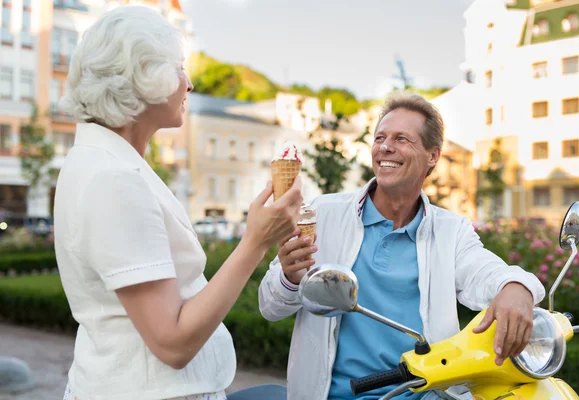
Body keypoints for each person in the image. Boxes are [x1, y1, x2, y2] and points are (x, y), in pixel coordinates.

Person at [53, 5, 300, 400]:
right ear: (141, 78)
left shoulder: (106, 161)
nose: (188, 84)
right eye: (178, 68)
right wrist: (256, 241)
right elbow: (172, 343)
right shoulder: (114, 179)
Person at [258, 91, 546, 400]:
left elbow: (484, 272)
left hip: (428, 395)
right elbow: (270, 307)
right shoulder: (322, 214)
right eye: (380, 137)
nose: (385, 147)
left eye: (401, 139)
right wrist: (290, 276)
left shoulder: (451, 230)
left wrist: (516, 286)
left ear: (432, 156)